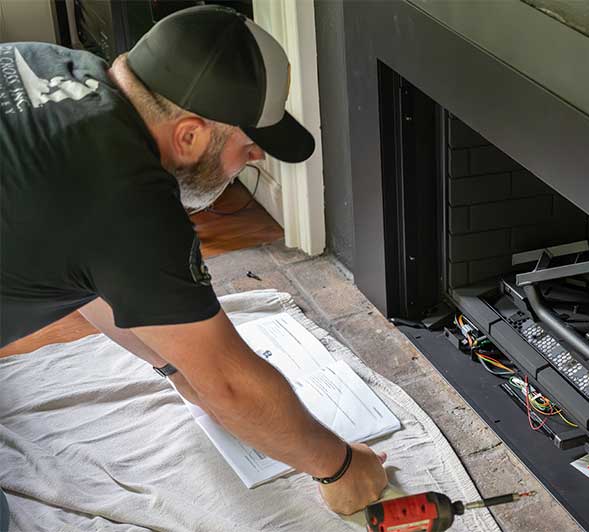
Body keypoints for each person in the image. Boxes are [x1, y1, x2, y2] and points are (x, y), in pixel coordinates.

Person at [0, 5, 387, 515]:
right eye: (247, 146)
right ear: (189, 135)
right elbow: (229, 384)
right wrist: (339, 467)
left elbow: (90, 280)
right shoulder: (125, 195)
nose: (256, 160)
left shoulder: (50, 65)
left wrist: (177, 365)